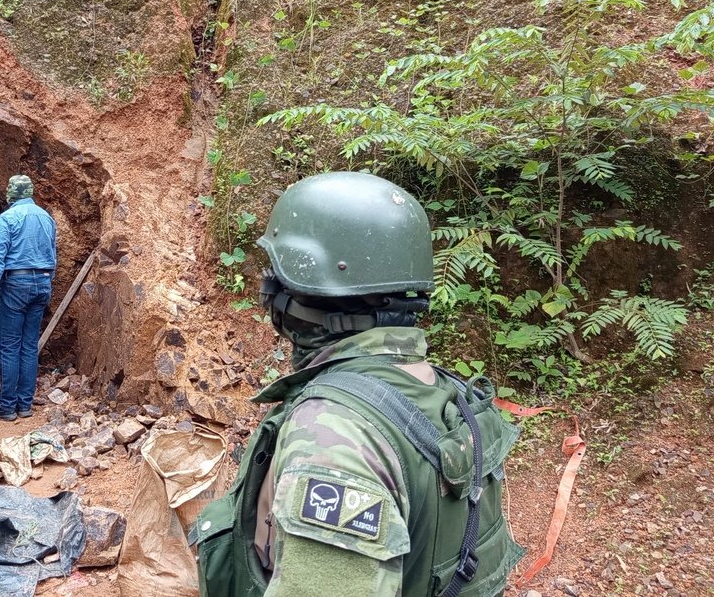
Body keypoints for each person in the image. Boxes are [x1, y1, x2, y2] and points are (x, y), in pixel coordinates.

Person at [193, 171, 523, 597]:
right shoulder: (436, 390)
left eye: (279, 276)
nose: (267, 289)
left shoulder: (335, 436)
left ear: (313, 293)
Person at [0, 175, 57, 421]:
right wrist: (46, 282)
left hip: (16, 283)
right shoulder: (47, 218)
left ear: (12, 194)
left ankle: (7, 406)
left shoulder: (8, 218)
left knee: (10, 345)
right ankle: (25, 405)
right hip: (42, 282)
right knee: (29, 345)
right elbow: (53, 254)